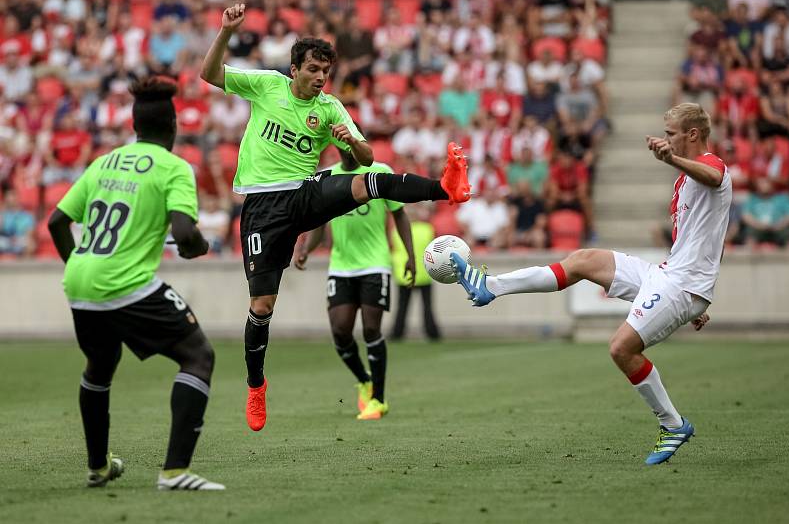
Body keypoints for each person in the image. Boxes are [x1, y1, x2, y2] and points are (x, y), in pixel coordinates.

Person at [200, 3, 471, 433]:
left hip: (305, 193)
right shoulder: (267, 86)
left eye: (325, 70)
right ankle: (255, 386)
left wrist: (351, 140)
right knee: (261, 306)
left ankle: (446, 188)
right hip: (262, 208)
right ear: (294, 69)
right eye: (313, 69)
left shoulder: (329, 108)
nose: (320, 77)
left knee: (371, 181)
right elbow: (210, 75)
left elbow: (367, 156)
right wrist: (226, 33)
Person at [451, 103, 732, 466]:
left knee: (621, 349)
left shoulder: (714, 168)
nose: (666, 140)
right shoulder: (684, 178)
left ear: (693, 134)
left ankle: (672, 424)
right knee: (583, 260)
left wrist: (695, 296)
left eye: (671, 134)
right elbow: (704, 243)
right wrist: (696, 299)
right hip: (671, 276)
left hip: (683, 284)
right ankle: (489, 285)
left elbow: (712, 176)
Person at [47, 77, 224, 490]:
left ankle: (98, 466)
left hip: (79, 279)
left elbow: (57, 222)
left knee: (100, 364)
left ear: (135, 126)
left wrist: (79, 268)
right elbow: (184, 233)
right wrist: (198, 247)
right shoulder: (175, 167)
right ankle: (175, 472)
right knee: (198, 356)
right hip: (124, 283)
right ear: (174, 127)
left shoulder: (104, 161)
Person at [294, 145, 414, 420]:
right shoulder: (327, 177)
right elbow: (319, 221)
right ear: (337, 148)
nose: (348, 148)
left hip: (375, 263)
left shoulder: (380, 172)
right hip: (341, 265)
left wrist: (409, 254)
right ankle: (364, 379)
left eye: (353, 142)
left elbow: (399, 214)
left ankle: (379, 399)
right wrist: (305, 249)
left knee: (371, 329)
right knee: (340, 331)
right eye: (343, 144)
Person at [390, 203, 442, 341]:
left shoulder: (397, 230)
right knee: (427, 307)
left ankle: (397, 333)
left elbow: (394, 249)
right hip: (424, 273)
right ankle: (432, 333)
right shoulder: (428, 229)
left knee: (402, 307)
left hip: (404, 273)